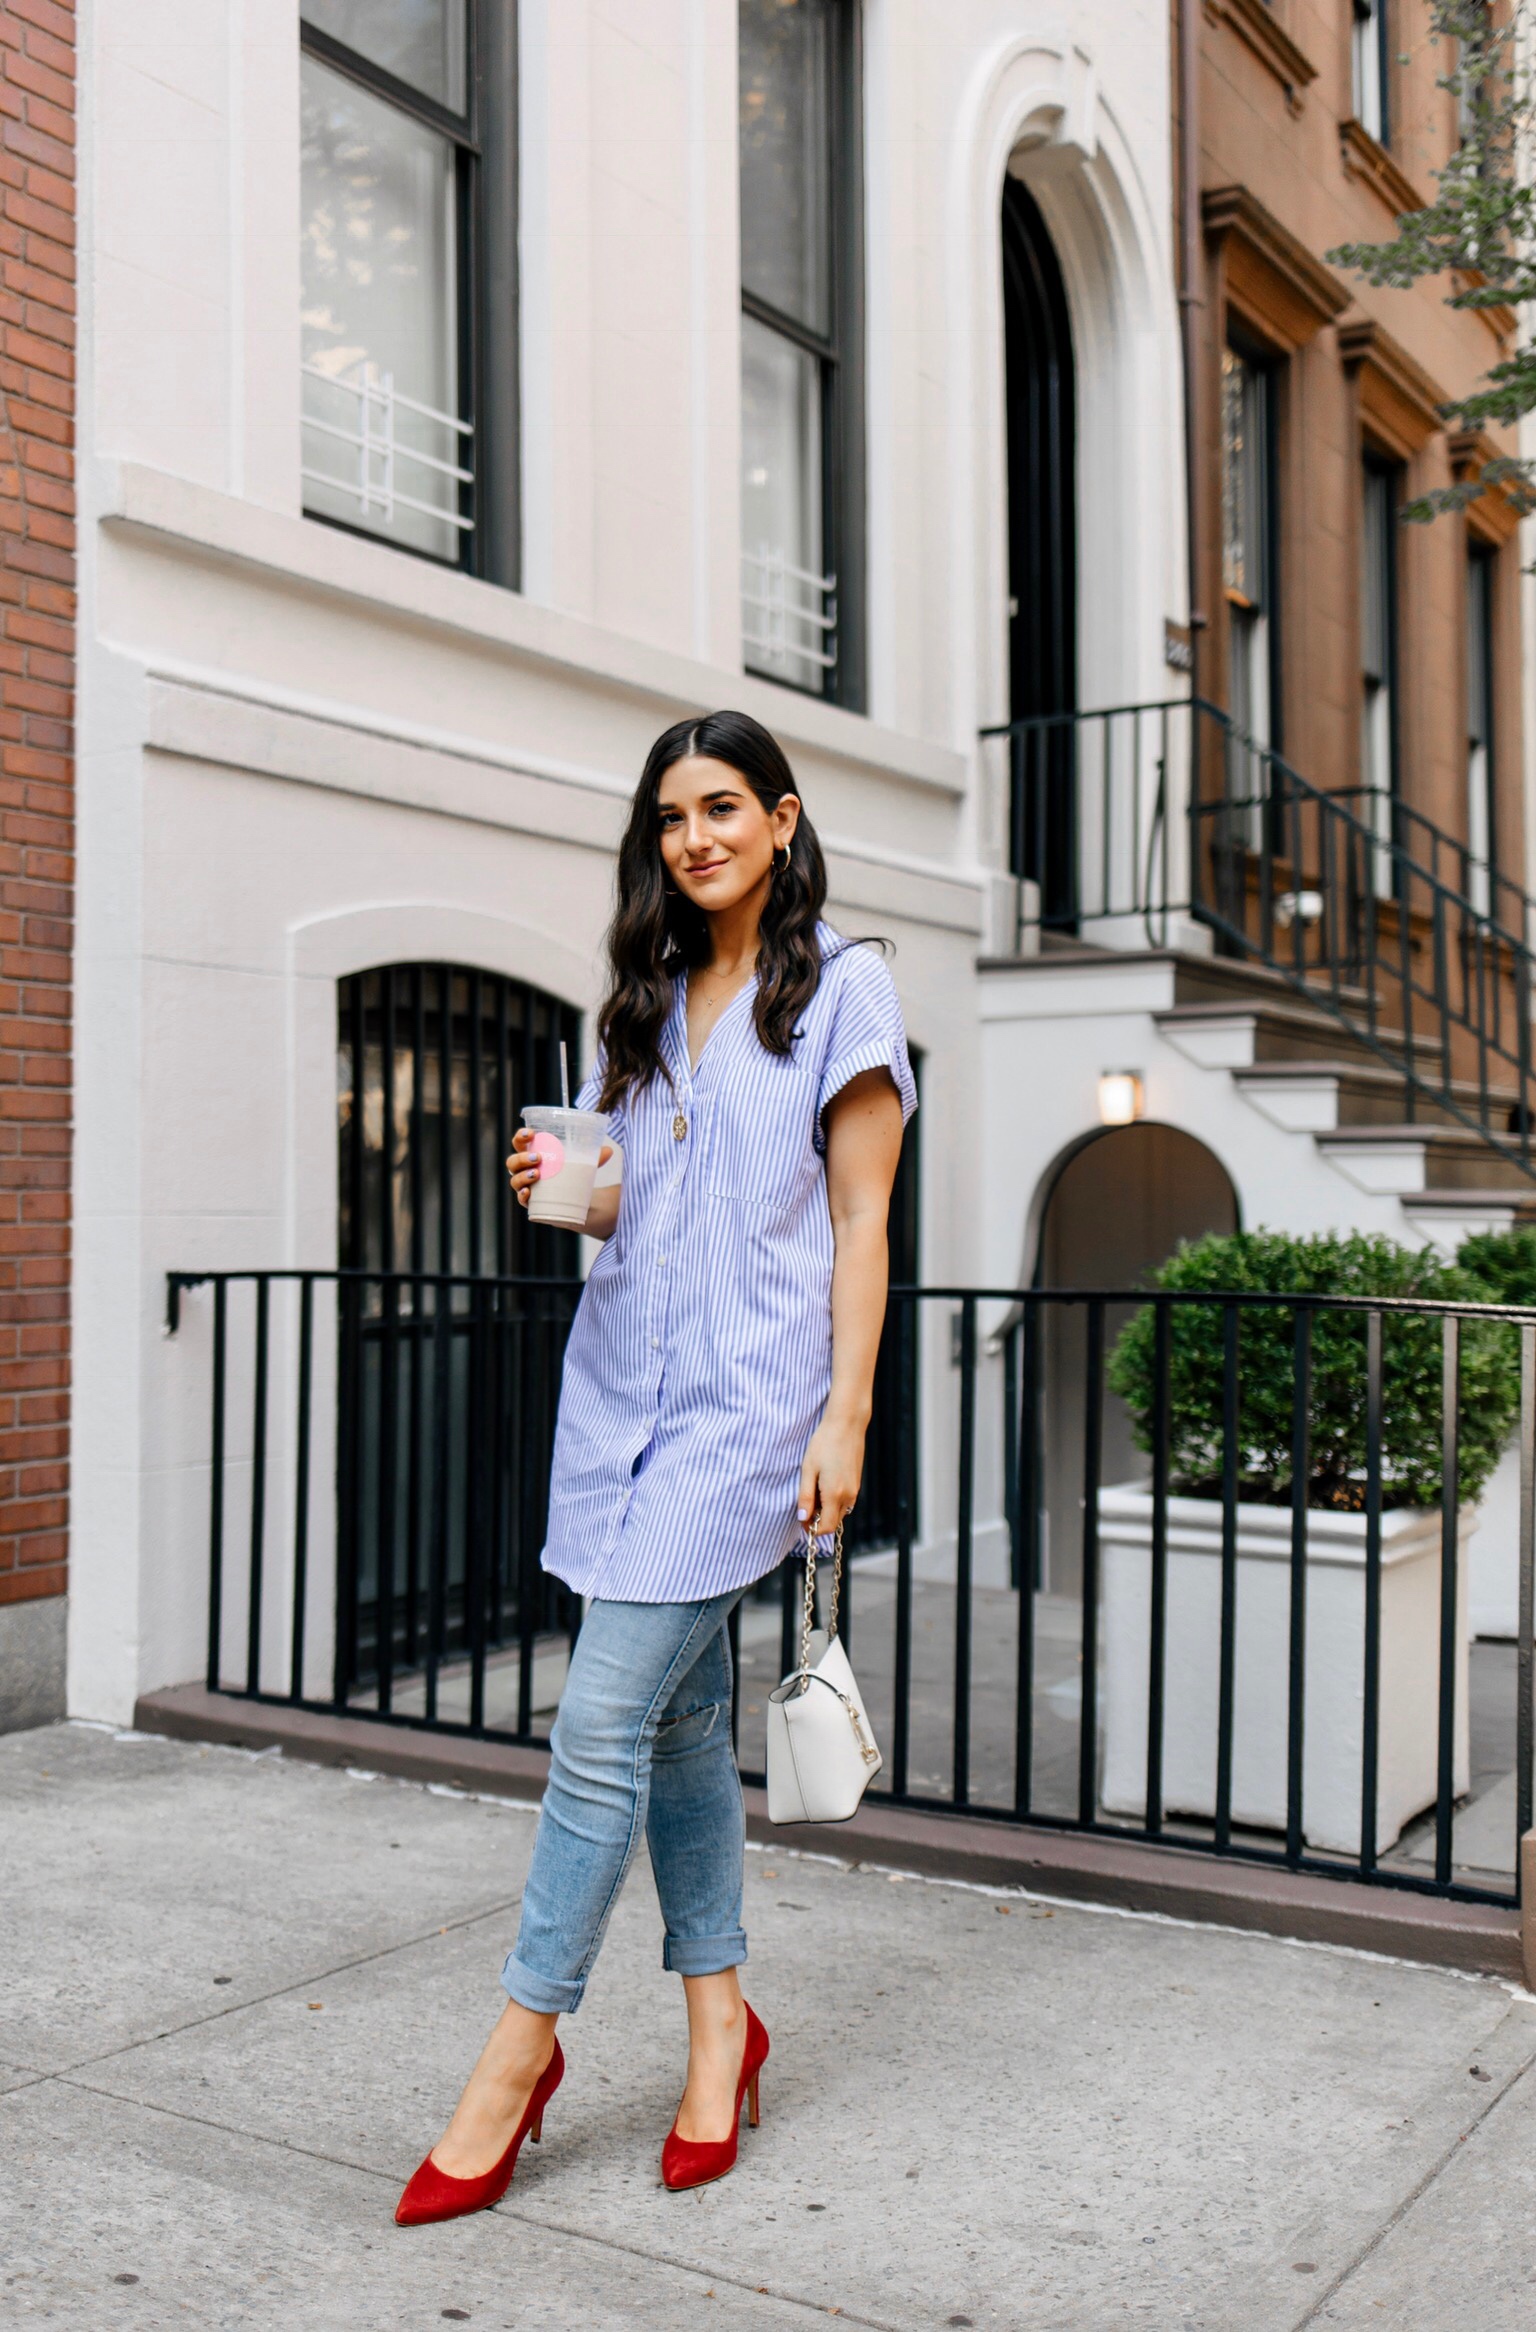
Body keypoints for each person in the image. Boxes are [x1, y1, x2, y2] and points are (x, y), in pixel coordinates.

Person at [395, 708, 915, 2225]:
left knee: (601, 1721)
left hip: (749, 1414)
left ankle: (517, 2050)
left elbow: (862, 1221)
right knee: (682, 1726)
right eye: (672, 816)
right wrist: (577, 1196)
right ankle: (718, 2032)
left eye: (723, 808)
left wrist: (849, 1416)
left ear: (784, 817)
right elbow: (652, 1214)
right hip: (618, 1401)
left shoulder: (845, 992)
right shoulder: (642, 1003)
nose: (695, 837)